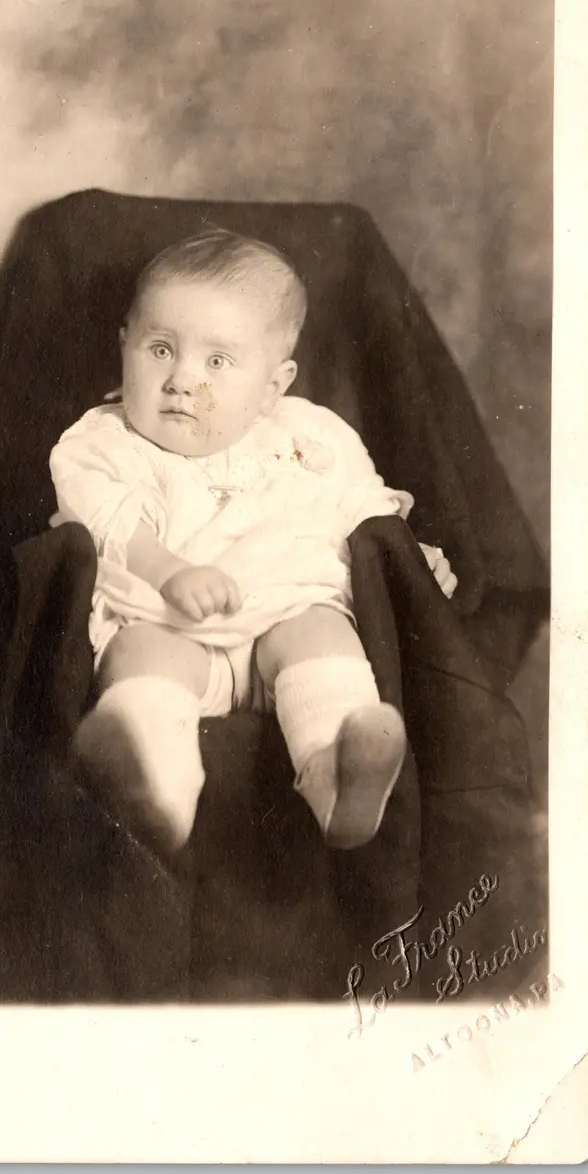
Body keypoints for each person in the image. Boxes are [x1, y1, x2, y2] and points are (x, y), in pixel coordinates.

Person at [49, 230, 457, 857]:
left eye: (217, 362)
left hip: (284, 627)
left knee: (323, 630)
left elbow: (365, 510)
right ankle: (158, 795)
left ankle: (334, 773)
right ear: (124, 343)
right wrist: (167, 570)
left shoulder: (312, 436)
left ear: (273, 385)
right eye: (160, 349)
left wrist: (414, 565)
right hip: (167, 625)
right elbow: (104, 517)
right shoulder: (101, 443)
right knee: (140, 655)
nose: (181, 381)